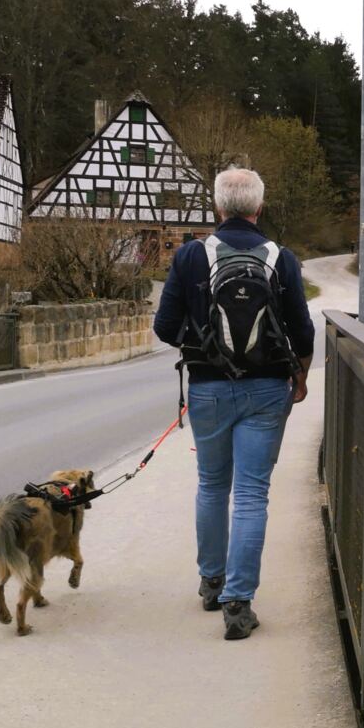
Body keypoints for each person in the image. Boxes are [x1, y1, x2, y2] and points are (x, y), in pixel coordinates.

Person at [153, 167, 315, 640]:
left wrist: (202, 345)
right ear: (259, 208)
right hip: (266, 390)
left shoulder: (190, 255)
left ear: (218, 207)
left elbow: (164, 327)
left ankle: (211, 582)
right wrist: (300, 377)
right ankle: (239, 605)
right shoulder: (281, 258)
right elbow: (303, 331)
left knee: (211, 484)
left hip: (207, 388)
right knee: (250, 494)